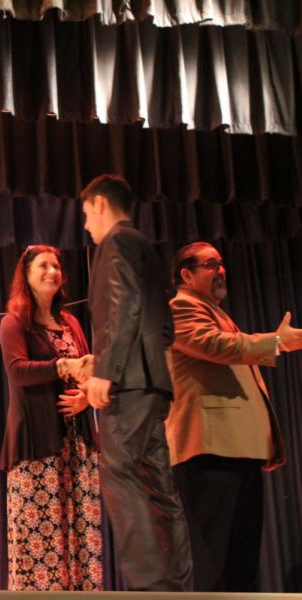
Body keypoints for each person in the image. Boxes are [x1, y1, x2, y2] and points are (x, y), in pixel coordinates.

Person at [166, 241, 302, 591]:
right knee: (214, 559)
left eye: (222, 263)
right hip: (209, 449)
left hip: (237, 447)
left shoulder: (217, 312)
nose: (221, 270)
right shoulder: (181, 307)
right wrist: (276, 342)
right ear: (187, 274)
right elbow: (217, 346)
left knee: (241, 560)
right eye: (211, 264)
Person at [80, 174, 192, 591]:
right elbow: (162, 328)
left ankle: (149, 588)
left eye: (87, 212)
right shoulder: (144, 245)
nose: (86, 224)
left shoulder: (116, 243)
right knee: (160, 490)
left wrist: (107, 370)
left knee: (119, 474)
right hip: (153, 385)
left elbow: (122, 305)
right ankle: (178, 586)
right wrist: (116, 357)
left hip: (128, 386)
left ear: (100, 204)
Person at [0, 245, 102, 591]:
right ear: (26, 275)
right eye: (43, 265)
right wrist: (61, 365)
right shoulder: (14, 322)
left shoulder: (70, 322)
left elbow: (89, 368)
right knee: (40, 539)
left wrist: (87, 396)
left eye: (56, 266)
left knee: (81, 535)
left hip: (78, 445)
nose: (52, 272)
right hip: (37, 446)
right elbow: (17, 371)